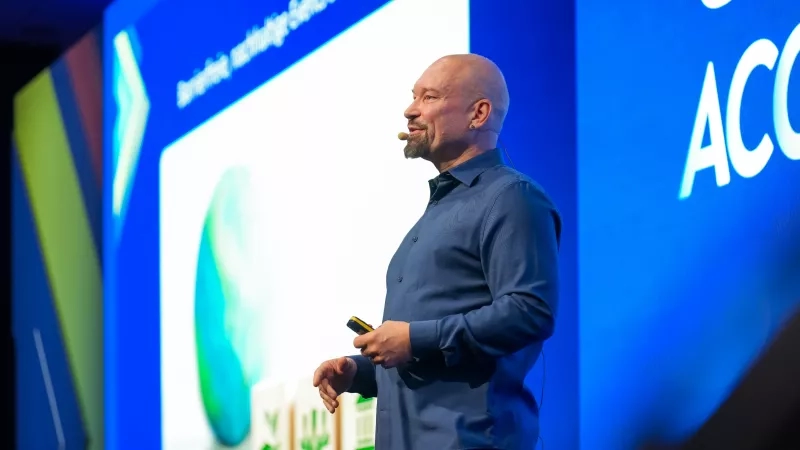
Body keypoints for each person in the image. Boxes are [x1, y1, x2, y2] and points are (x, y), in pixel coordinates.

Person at [312, 53, 561, 450]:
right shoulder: (435, 214)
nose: (410, 110)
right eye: (414, 96)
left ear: (478, 114)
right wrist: (359, 372)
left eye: (429, 97)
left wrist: (415, 338)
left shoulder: (511, 197)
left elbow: (530, 311)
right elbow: (430, 356)